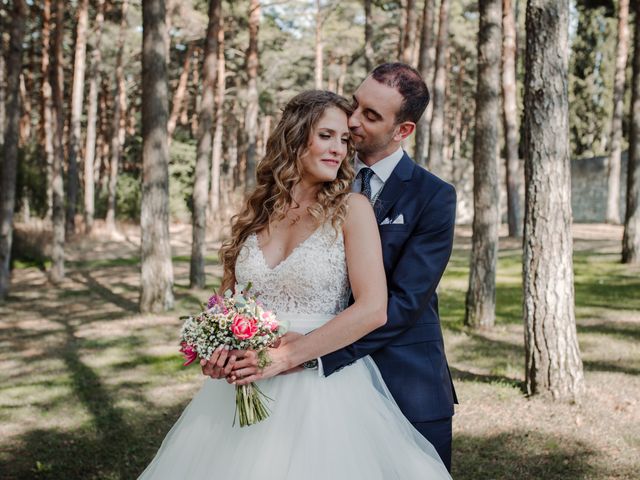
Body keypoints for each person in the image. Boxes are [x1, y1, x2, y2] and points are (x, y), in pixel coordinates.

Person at [138, 89, 451, 479]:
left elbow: (373, 307)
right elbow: (232, 303)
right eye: (326, 136)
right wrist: (219, 350)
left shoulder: (352, 209)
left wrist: (287, 357)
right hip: (245, 383)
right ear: (295, 136)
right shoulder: (256, 212)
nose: (339, 149)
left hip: (322, 388)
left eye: (343, 140)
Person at [220, 63, 458, 471]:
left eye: (370, 115)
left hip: (403, 377)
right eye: (355, 104)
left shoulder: (433, 197)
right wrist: (231, 343)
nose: (352, 120)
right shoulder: (322, 175)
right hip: (284, 374)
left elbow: (401, 304)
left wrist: (300, 353)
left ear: (402, 131)